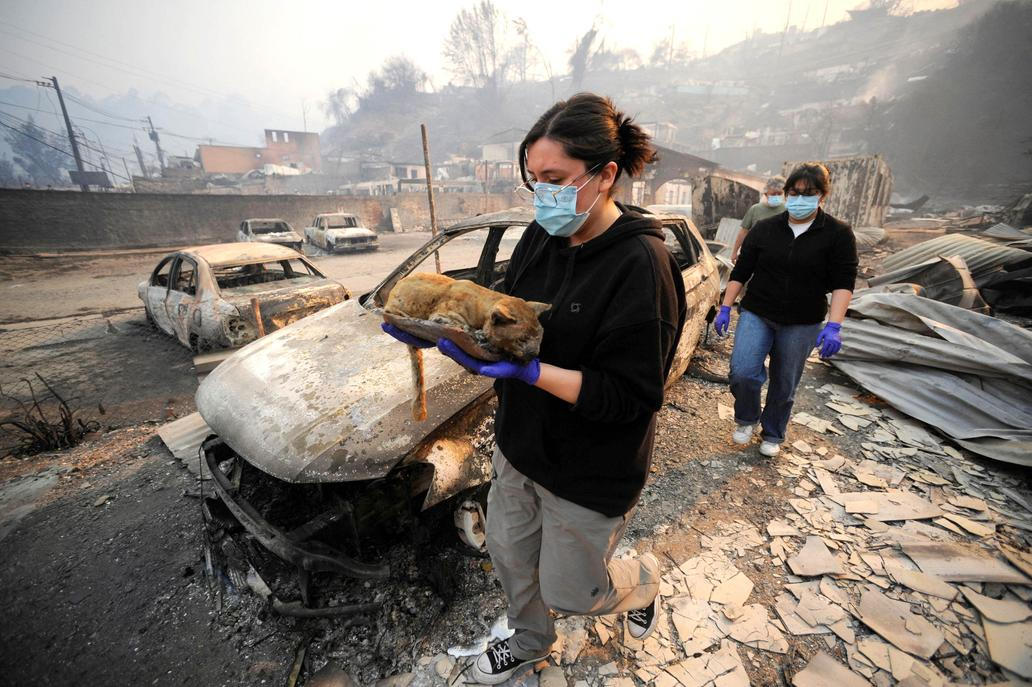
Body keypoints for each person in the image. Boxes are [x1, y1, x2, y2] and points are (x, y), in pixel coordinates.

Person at [383, 93, 687, 684]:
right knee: (511, 559)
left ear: (605, 175)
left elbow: (631, 396)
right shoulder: (541, 238)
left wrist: (531, 373)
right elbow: (504, 315)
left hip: (589, 468)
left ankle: (643, 580)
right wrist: (444, 328)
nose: (542, 193)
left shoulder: (641, 266)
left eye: (555, 179)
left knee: (573, 591)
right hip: (520, 445)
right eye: (533, 179)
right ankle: (529, 641)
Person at [712, 162, 857, 457]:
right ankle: (747, 418)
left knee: (785, 381)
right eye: (795, 192)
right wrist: (725, 307)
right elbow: (741, 270)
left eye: (809, 193)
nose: (800, 199)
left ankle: (773, 432)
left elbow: (844, 282)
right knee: (743, 372)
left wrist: (834, 325)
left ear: (822, 196)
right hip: (758, 311)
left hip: (803, 320)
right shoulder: (766, 228)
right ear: (787, 193)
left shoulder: (838, 234)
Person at [730, 176, 786, 263]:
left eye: (779, 194)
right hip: (756, 256)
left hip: (779, 257)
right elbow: (743, 232)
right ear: (766, 194)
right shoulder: (755, 209)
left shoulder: (787, 210)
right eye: (773, 194)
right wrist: (734, 252)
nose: (776, 196)